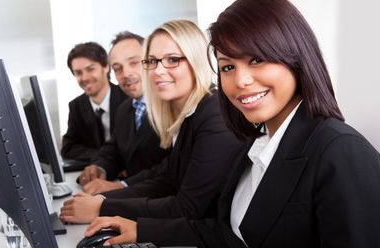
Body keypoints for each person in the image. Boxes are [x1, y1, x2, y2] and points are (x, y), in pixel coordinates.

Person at [82, 0, 380, 248]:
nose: (240, 81)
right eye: (228, 66)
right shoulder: (260, 142)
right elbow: (223, 231)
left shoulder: (341, 153)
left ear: (295, 57)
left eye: (257, 59)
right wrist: (143, 231)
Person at [60, 20, 244, 224]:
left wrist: (102, 207)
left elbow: (188, 207)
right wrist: (101, 199)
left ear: (196, 60)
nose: (157, 71)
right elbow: (168, 179)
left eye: (172, 59)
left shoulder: (213, 114)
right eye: (152, 62)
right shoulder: (184, 113)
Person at [79, 32, 169, 195]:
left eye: (134, 63)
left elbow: (169, 167)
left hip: (161, 201)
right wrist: (99, 167)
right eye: (118, 69)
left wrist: (122, 186)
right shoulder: (125, 108)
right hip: (135, 201)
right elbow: (113, 149)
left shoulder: (172, 104)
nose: (126, 74)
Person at [60, 42, 128, 161]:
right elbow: (68, 148)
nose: (84, 78)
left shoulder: (127, 98)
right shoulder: (76, 106)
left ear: (106, 67)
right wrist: (105, 157)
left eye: (90, 69)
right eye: (78, 73)